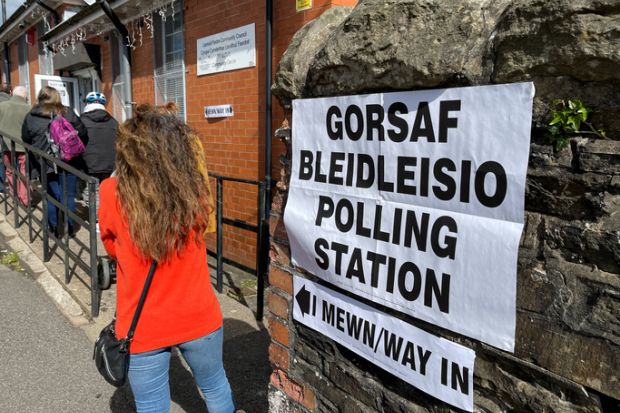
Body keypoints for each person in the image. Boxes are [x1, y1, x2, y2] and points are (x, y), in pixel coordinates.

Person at [98, 104, 239, 413]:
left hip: (142, 323)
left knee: (151, 405)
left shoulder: (112, 192)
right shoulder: (194, 191)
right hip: (199, 315)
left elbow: (111, 246)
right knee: (215, 386)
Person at [22, 86, 87, 237]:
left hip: (44, 162)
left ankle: (53, 227)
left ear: (40, 97)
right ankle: (69, 228)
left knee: (51, 195)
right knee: (68, 195)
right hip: (67, 161)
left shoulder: (31, 115)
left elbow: (25, 138)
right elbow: (83, 132)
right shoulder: (67, 112)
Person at [80, 91, 118, 205]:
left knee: (92, 192)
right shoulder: (113, 122)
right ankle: (105, 217)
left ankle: (97, 220)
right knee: (107, 191)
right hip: (110, 163)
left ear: (87, 103)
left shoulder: (81, 121)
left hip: (88, 164)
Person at [0, 86, 31, 205]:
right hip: (24, 146)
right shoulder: (28, 108)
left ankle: (15, 195)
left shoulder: (2, 106)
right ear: (25, 96)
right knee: (23, 171)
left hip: (6, 144)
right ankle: (25, 198)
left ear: (13, 93)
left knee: (10, 170)